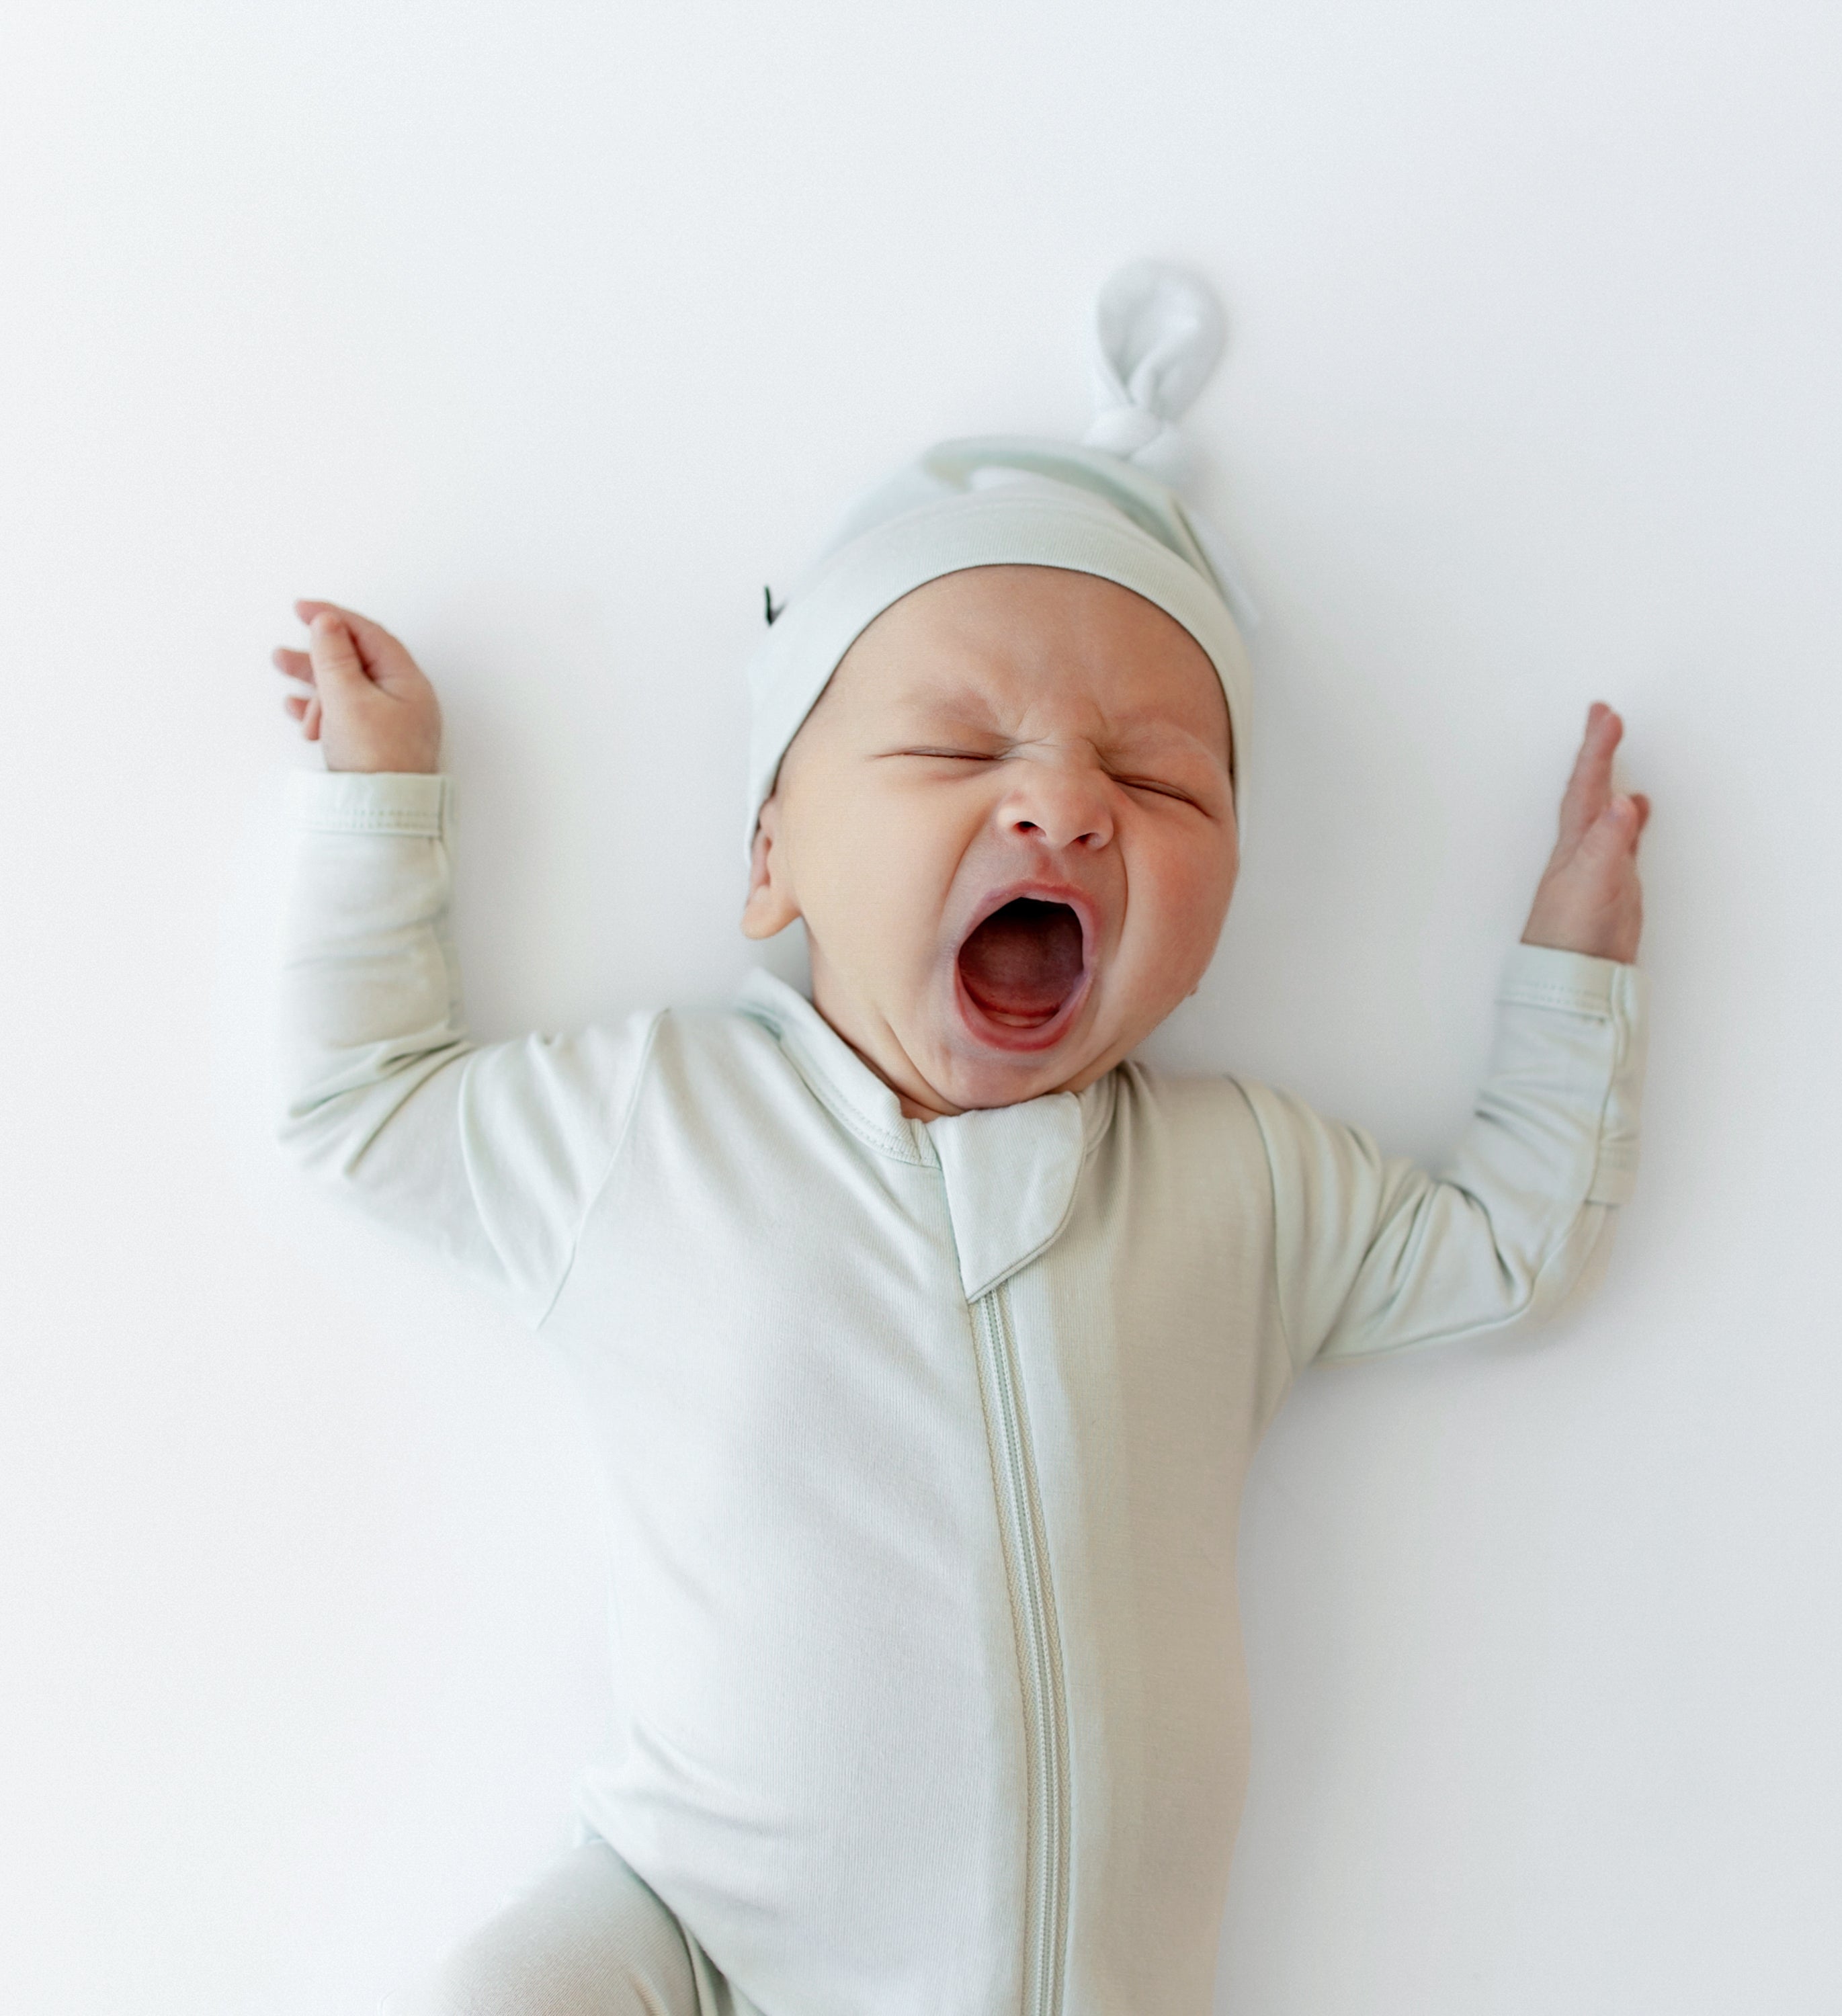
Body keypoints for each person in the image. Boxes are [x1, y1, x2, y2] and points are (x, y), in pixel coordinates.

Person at [270, 263, 1648, 2016]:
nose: (1067, 802)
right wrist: (382, 801)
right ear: (771, 857)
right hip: (699, 1940)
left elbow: (1511, 1248)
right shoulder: (650, 1128)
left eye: (1158, 782)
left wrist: (1575, 965)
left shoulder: (1245, 1185)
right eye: (954, 741)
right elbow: (357, 1107)